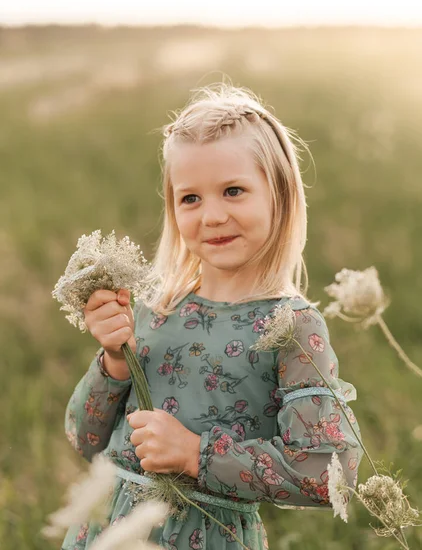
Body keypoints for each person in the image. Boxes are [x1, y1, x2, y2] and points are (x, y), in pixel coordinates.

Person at [62, 83, 364, 549]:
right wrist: (114, 362)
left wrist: (194, 454)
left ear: (278, 194)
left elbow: (327, 472)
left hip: (209, 534)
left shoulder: (291, 326)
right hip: (110, 531)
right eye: (191, 198)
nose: (213, 216)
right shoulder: (154, 308)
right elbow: (85, 439)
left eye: (233, 191)